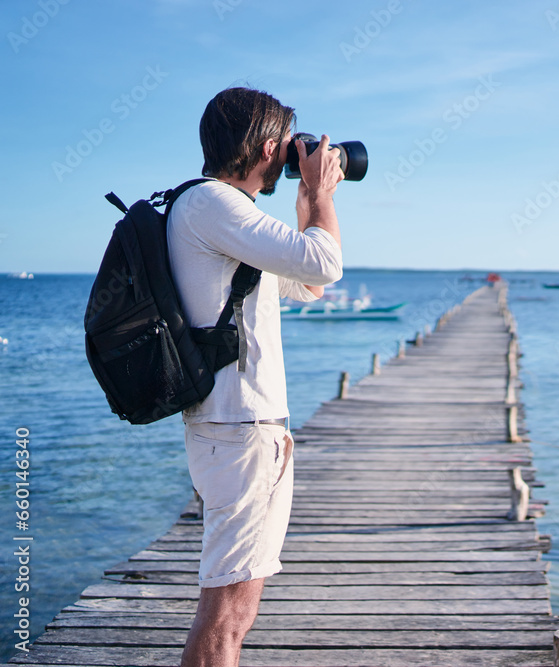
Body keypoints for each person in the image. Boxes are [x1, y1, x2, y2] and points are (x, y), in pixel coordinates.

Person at [166, 87, 345, 667]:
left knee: (236, 611)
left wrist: (305, 203)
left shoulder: (219, 215)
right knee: (224, 614)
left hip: (245, 430)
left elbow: (312, 283)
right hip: (238, 429)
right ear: (270, 146)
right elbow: (325, 261)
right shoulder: (213, 205)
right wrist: (319, 193)